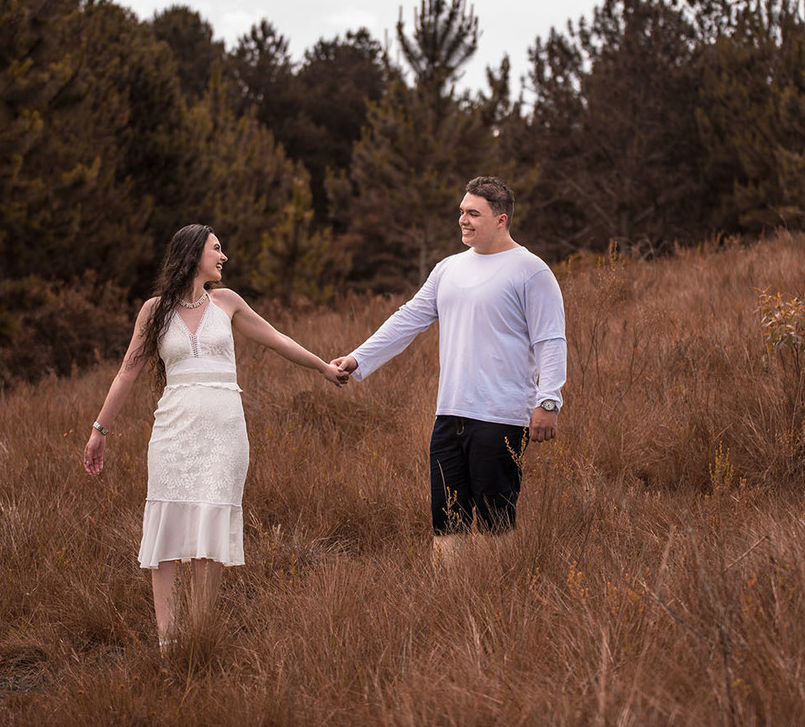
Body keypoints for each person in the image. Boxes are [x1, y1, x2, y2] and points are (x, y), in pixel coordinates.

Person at [83, 224, 349, 647]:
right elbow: (126, 372)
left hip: (224, 431)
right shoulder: (154, 311)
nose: (223, 257)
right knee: (167, 525)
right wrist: (100, 430)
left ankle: (200, 633)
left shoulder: (226, 302)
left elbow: (277, 339)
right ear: (193, 255)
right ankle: (168, 640)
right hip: (173, 430)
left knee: (212, 520)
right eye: (217, 249)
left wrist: (323, 367)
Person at [331, 176, 566, 562]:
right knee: (446, 522)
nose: (463, 220)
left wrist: (549, 401)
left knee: (495, 523)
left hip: (500, 417)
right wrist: (358, 360)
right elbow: (409, 319)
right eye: (462, 212)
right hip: (449, 415)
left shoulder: (531, 271)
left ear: (501, 219)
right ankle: (448, 605)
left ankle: (496, 597)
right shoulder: (448, 269)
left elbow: (550, 340)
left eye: (474, 213)